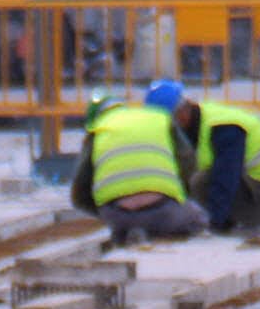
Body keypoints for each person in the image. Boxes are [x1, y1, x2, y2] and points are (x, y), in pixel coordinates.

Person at [166, 87, 260, 241]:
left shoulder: (224, 128)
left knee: (202, 183)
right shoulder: (201, 122)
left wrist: (213, 223)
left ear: (181, 112)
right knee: (201, 181)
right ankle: (238, 218)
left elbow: (226, 176)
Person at [70, 96, 206, 246]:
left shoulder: (98, 130)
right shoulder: (159, 119)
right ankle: (158, 234)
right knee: (198, 218)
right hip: (163, 211)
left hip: (118, 216)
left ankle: (130, 231)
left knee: (122, 223)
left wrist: (104, 211)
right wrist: (180, 194)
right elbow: (188, 161)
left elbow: (80, 192)